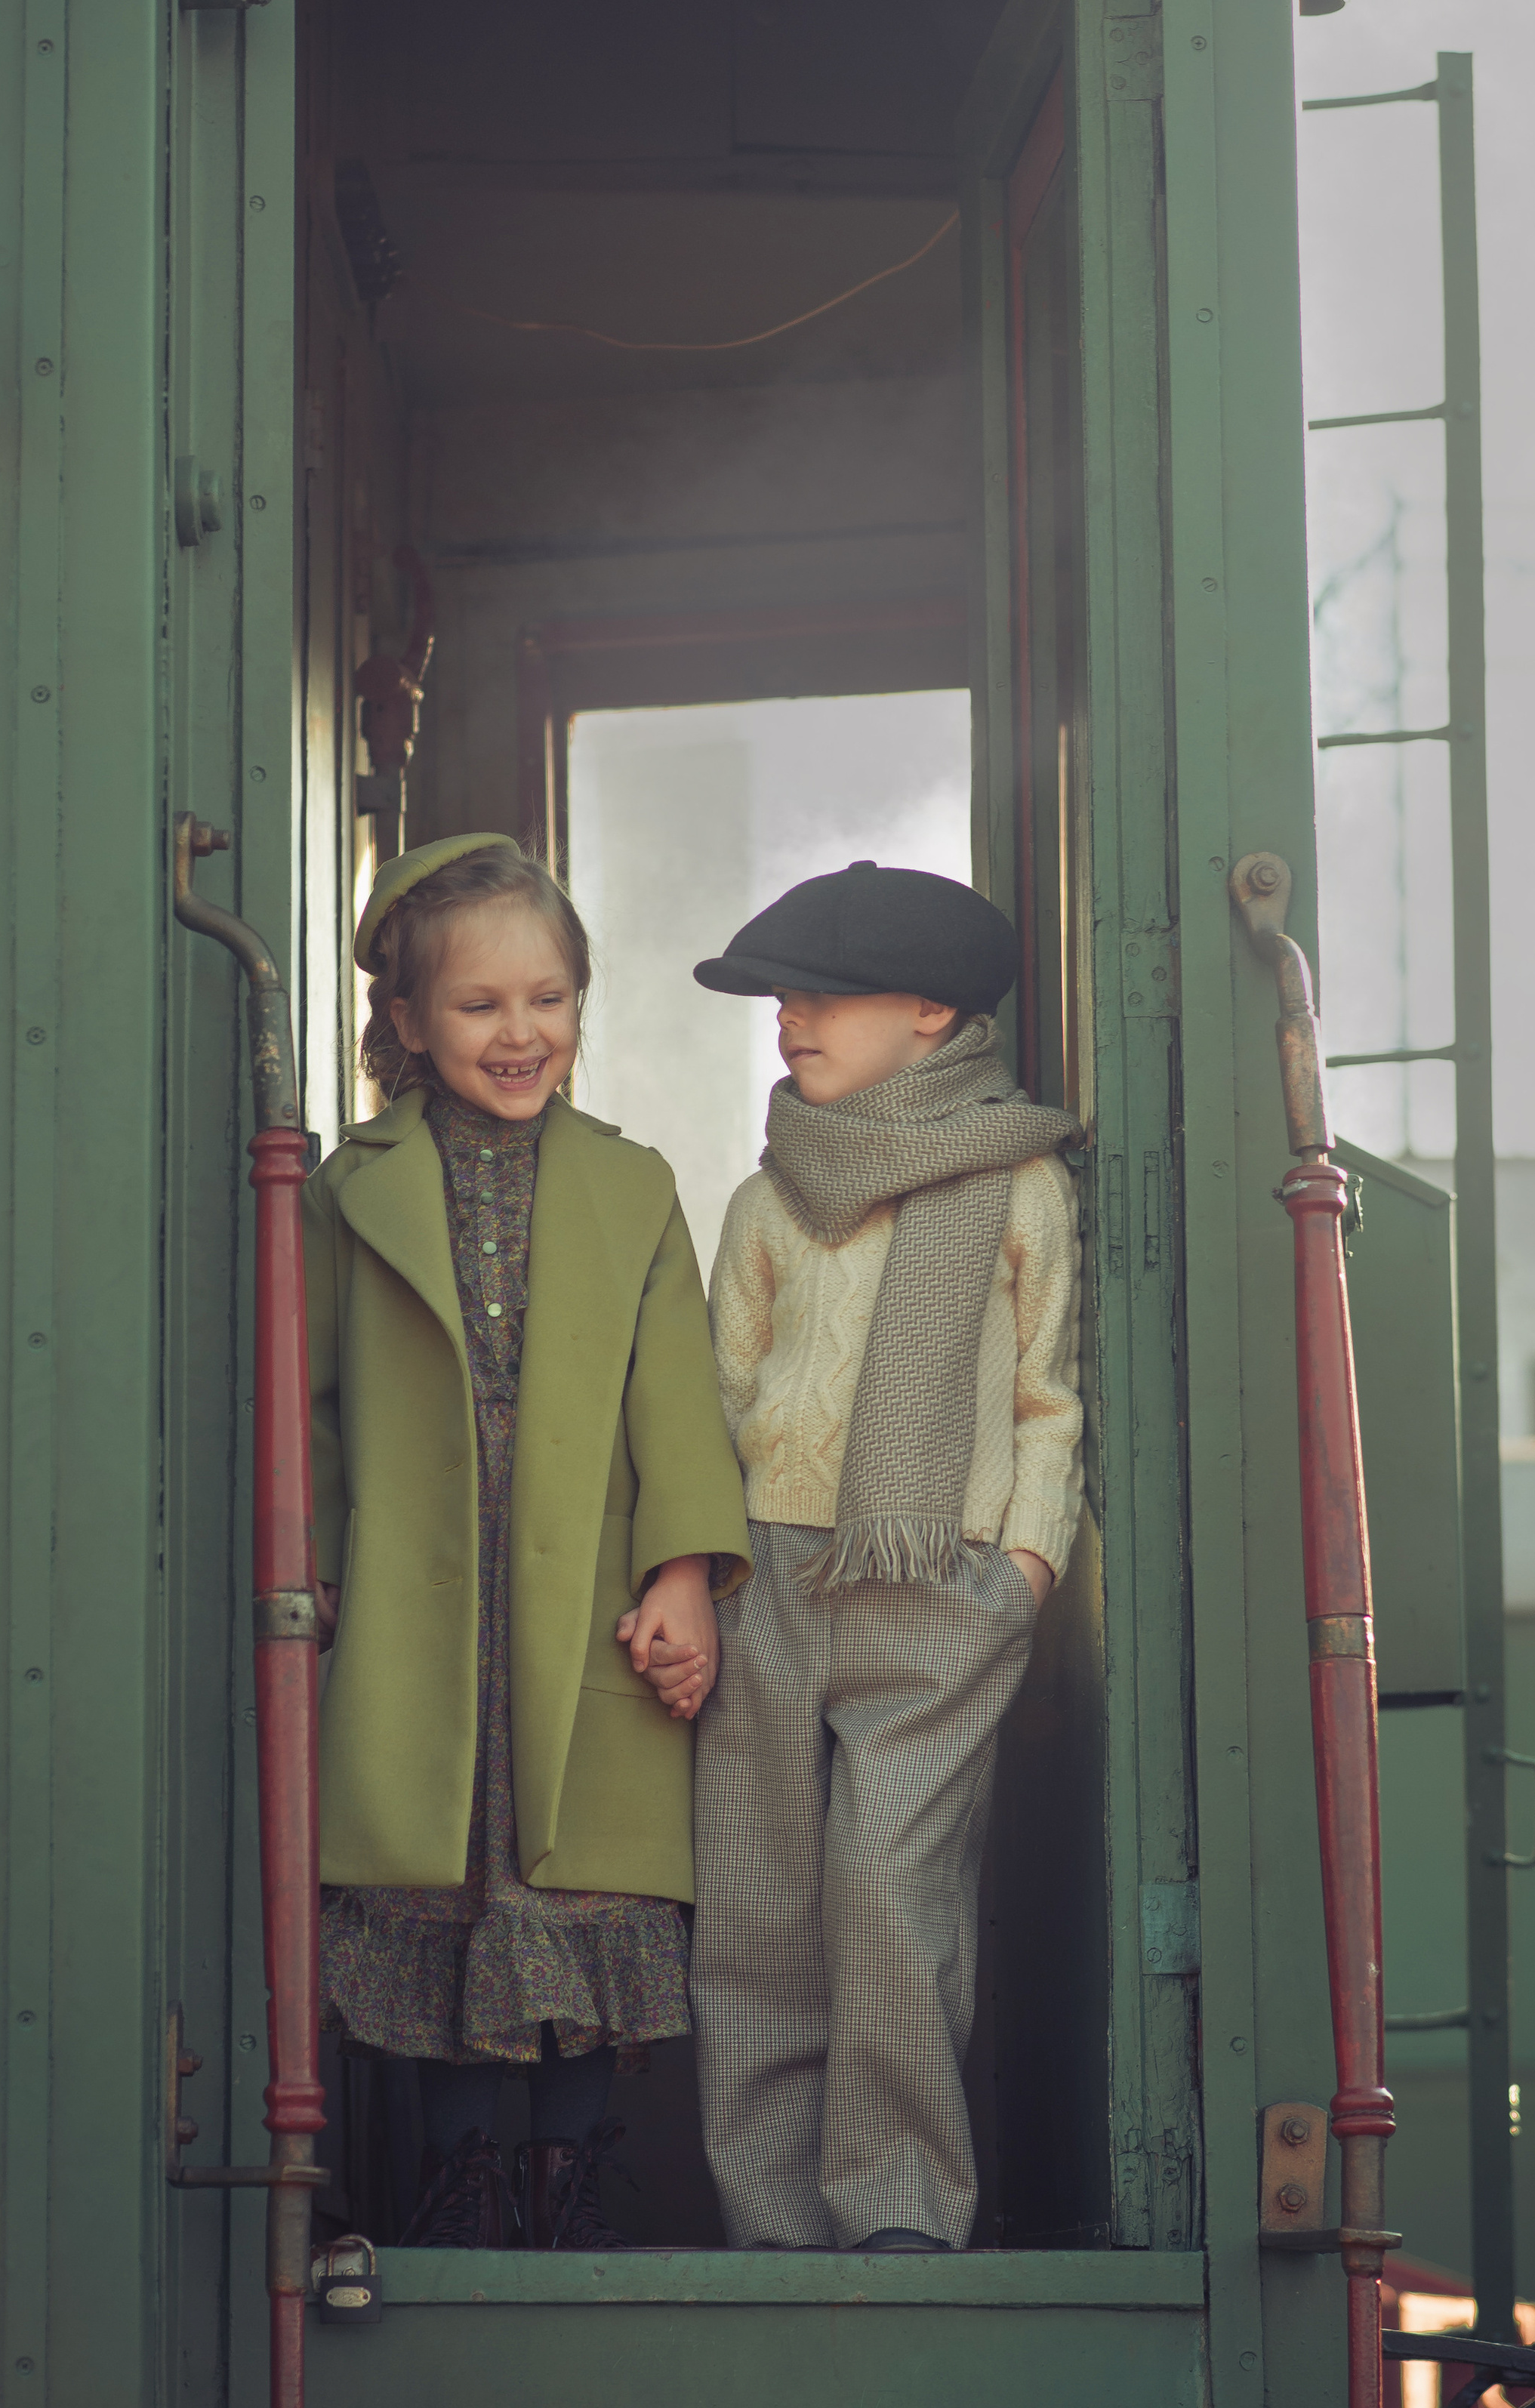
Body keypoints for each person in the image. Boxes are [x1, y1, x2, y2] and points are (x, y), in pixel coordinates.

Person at [305, 833, 750, 2251]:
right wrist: (313, 1573)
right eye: (481, 1005)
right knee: (436, 1879)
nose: (521, 1033)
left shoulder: (633, 1186)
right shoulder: (346, 1186)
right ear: (411, 1024)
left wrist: (682, 1572)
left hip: (583, 1604)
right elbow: (311, 1404)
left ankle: (567, 2189)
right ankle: (453, 2202)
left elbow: (675, 1398)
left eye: (547, 998)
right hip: (417, 1605)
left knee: (579, 1880)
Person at [689, 860, 1083, 2254]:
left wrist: (1022, 1571)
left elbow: (1051, 1399)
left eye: (819, 994)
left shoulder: (1020, 1184)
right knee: (758, 1898)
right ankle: (773, 2214)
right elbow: (716, 1398)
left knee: (892, 1893)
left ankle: (900, 2209)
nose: (788, 1019)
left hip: (939, 1581)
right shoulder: (766, 1199)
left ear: (930, 1010)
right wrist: (708, 1564)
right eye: (778, 997)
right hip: (769, 1578)